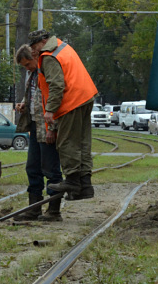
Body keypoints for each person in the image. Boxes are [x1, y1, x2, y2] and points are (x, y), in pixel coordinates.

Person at [29, 29, 98, 200]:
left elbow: (56, 85)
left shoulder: (48, 56)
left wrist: (50, 110)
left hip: (71, 101)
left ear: (43, 41)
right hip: (85, 97)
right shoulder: (63, 47)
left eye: (34, 46)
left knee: (67, 142)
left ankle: (73, 181)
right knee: (82, 143)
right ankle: (85, 186)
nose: (34, 50)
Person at [13, 44, 64, 221]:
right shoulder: (33, 75)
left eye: (28, 64)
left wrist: (52, 128)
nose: (27, 68)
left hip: (47, 127)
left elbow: (54, 98)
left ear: (35, 57)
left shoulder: (47, 71)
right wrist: (23, 104)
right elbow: (35, 98)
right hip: (35, 127)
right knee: (33, 168)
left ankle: (54, 210)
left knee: (51, 169)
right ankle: (34, 208)